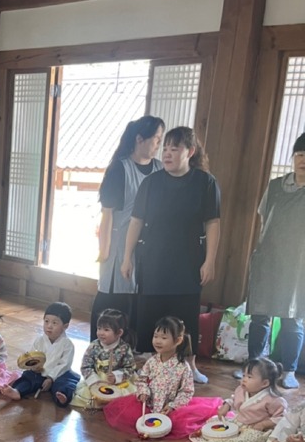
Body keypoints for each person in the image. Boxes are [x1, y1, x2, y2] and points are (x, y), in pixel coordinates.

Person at [121, 125, 220, 383]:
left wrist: (210, 260)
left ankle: (189, 365)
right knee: (149, 311)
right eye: (164, 148)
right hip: (153, 259)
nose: (166, 153)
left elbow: (213, 223)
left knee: (186, 314)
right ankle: (150, 363)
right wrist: (127, 257)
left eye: (174, 149)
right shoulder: (151, 183)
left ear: (190, 152)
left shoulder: (205, 183)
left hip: (188, 261)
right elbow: (136, 221)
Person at [242, 132, 305, 390]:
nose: (303, 160)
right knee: (260, 316)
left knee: (294, 318)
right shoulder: (276, 186)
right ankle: (253, 367)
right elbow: (263, 220)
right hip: (269, 258)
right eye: (299, 155)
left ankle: (289, 370)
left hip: (299, 265)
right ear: (293, 158)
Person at [92, 116, 164, 340]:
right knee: (112, 299)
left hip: (147, 248)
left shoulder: (160, 169)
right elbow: (107, 214)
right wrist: (104, 251)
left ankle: (130, 351)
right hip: (119, 247)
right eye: (156, 139)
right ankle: (99, 349)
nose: (159, 145)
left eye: (161, 139)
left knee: (137, 302)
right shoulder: (120, 168)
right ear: (139, 139)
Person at [103, 316, 221, 438]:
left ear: (178, 340)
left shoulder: (183, 367)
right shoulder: (151, 361)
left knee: (175, 425)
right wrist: (143, 392)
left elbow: (187, 391)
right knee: (133, 418)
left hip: (170, 409)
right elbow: (142, 379)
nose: (158, 341)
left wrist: (173, 406)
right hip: (148, 405)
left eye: (164, 338)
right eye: (156, 336)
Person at [191, 358, 285, 442]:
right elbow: (233, 399)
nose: (244, 379)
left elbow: (281, 418)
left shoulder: (273, 399)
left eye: (249, 377)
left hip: (256, 429)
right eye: (243, 375)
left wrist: (263, 425)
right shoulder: (241, 390)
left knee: (252, 440)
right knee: (213, 420)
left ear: (265, 383)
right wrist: (226, 406)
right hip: (238, 423)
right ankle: (213, 438)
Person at [1, 301, 78, 406]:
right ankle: (17, 391)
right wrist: (34, 367)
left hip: (58, 374)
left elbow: (64, 365)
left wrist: (51, 378)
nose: (49, 326)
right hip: (39, 372)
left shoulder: (67, 345)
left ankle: (62, 396)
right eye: (46, 321)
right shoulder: (39, 340)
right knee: (28, 377)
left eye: (54, 323)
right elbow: (32, 357)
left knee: (66, 383)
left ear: (65, 326)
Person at [71, 308, 137, 410]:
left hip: (117, 383)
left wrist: (116, 376)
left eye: (106, 330)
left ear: (119, 332)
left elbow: (130, 368)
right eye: (99, 328)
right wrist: (94, 380)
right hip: (97, 380)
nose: (101, 333)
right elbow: (86, 366)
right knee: (87, 396)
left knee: (124, 399)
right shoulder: (94, 346)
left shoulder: (124, 348)